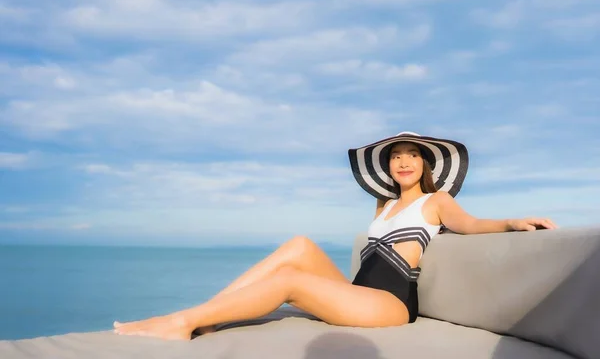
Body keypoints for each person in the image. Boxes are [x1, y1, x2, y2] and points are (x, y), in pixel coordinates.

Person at [113, 132, 558, 340]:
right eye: (396, 158)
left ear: (425, 164)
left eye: (412, 157)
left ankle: (182, 323)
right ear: (387, 167)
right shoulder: (383, 207)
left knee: (292, 282)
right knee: (299, 247)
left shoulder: (436, 201)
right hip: (359, 293)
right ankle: (205, 316)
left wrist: (513, 222)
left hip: (392, 305)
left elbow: (472, 225)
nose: (403, 163)